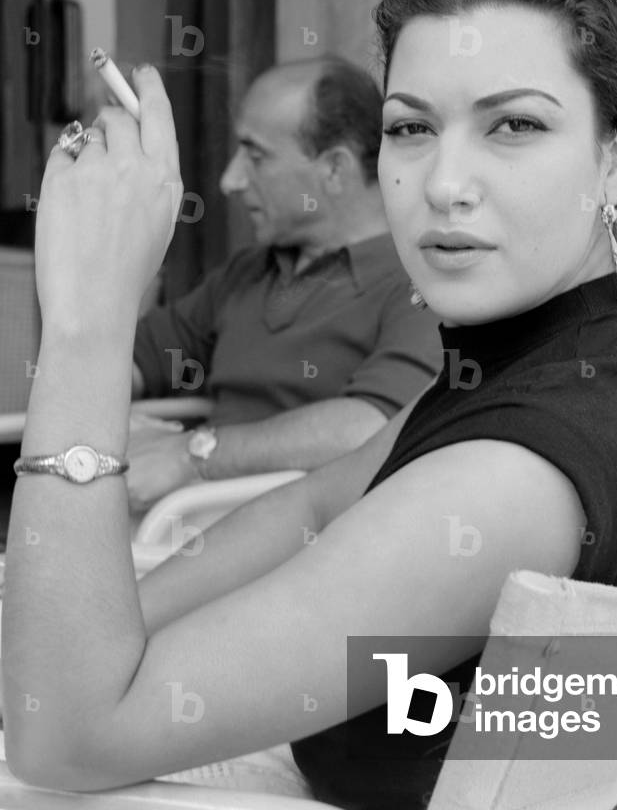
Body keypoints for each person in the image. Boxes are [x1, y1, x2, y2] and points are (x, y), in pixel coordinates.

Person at [0, 0, 617, 808]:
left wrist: (86, 324)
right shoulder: (564, 347)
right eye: (411, 127)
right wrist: (108, 632)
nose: (444, 183)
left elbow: (66, 737)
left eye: (514, 125)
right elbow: (311, 503)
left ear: (615, 155)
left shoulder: (512, 478)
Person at [125, 56, 443, 511]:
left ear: (334, 169)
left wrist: (192, 454)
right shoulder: (248, 272)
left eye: (255, 156)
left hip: (300, 547)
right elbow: (137, 358)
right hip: (174, 527)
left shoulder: (420, 281)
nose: (229, 180)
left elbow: (371, 425)